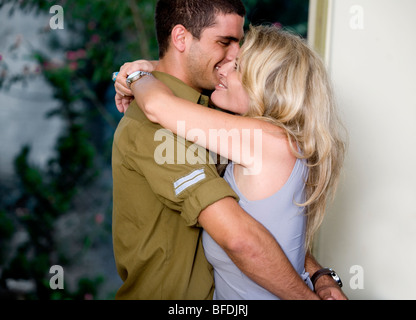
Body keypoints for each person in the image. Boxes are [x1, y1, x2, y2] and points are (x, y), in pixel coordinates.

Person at [113, 0, 347, 300]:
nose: (233, 55)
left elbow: (250, 237)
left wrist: (137, 74)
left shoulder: (233, 126)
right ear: (181, 38)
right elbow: (250, 234)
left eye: (239, 51)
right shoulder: (157, 127)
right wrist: (316, 278)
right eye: (226, 42)